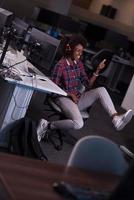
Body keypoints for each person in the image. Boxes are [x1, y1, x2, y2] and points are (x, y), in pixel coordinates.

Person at [37, 34, 133, 142]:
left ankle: (115, 118)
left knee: (101, 90)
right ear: (70, 49)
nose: (80, 54)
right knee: (78, 124)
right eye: (77, 50)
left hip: (76, 99)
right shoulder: (60, 65)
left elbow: (88, 85)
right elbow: (53, 88)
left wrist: (97, 71)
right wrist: (69, 94)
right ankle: (47, 125)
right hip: (63, 98)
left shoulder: (79, 64)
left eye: (81, 51)